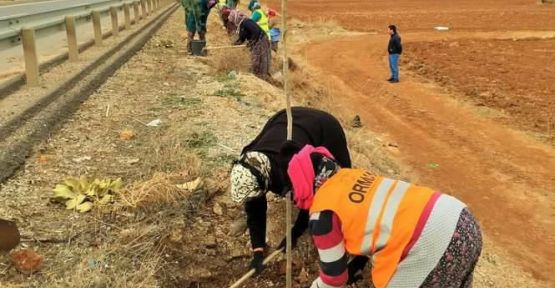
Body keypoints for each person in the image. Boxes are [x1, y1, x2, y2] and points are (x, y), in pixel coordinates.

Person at [287, 145, 483, 288]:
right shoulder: (351, 175)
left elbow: (334, 279)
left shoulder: (323, 213)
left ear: (301, 183)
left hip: (429, 245)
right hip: (460, 218)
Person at [230, 107, 352, 274]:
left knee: (340, 185)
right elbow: (255, 207)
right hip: (285, 118)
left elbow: (311, 197)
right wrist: (257, 250)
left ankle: (354, 256)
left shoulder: (292, 167)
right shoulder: (249, 162)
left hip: (325, 127)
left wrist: (295, 233)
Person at [229, 9, 271, 79]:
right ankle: (258, 74)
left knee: (259, 57)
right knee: (256, 57)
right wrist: (234, 45)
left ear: (235, 19)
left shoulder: (246, 22)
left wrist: (251, 43)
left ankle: (259, 76)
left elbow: (256, 32)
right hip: (257, 40)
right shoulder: (242, 25)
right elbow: (242, 39)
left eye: (232, 21)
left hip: (261, 39)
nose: (233, 23)